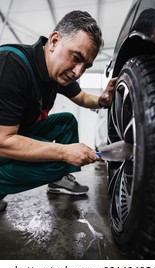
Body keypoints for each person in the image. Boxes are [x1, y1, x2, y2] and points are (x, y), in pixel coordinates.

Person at [0, 10, 117, 212]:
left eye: (86, 66)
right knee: (57, 163)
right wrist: (64, 151)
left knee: (66, 121)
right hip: (3, 140)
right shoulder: (12, 64)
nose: (78, 72)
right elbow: (3, 141)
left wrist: (101, 100)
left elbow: (80, 97)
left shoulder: (56, 72)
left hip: (14, 135)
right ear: (54, 41)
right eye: (76, 58)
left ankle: (58, 182)